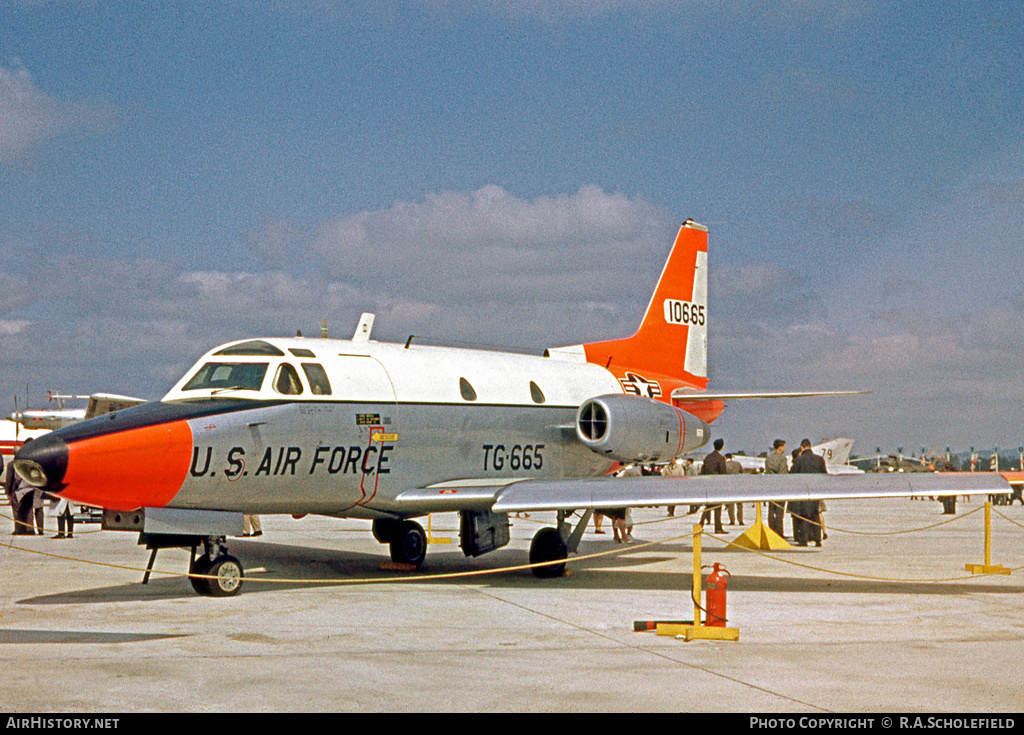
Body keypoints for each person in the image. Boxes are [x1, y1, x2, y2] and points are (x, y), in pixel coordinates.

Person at [790, 438, 827, 546]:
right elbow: (825, 474)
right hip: (816, 491)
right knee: (815, 514)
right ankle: (818, 540)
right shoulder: (819, 459)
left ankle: (804, 540)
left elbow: (792, 475)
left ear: (802, 447)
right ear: (810, 446)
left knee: (804, 515)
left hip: (803, 491)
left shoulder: (799, 460)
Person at [700, 439, 727, 534]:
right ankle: (718, 527)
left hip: (708, 484)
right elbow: (723, 473)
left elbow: (702, 471)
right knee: (717, 507)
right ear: (722, 446)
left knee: (708, 506)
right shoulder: (720, 458)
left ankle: (700, 524)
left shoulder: (707, 457)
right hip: (717, 484)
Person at [764, 439, 788, 537]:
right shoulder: (782, 459)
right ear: (780, 447)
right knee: (779, 511)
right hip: (780, 487)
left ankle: (771, 530)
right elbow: (783, 473)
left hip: (770, 486)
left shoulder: (768, 458)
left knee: (771, 509)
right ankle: (779, 532)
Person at [725, 453, 744, 525]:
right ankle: (740, 520)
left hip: (729, 486)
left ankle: (732, 520)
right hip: (737, 485)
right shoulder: (737, 464)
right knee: (739, 504)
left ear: (725, 457)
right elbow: (742, 471)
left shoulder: (725, 465)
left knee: (730, 504)